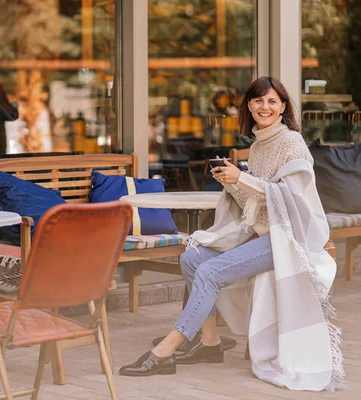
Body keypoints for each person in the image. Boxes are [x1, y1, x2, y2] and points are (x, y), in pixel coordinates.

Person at [119, 77, 345, 392]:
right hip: (262, 234)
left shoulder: (291, 142)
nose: (264, 107)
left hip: (288, 238)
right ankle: (210, 343)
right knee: (192, 258)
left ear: (282, 106)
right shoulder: (257, 146)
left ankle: (167, 348)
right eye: (258, 101)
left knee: (211, 272)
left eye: (272, 101)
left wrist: (243, 178)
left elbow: (291, 202)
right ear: (249, 106)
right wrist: (233, 182)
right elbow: (258, 203)